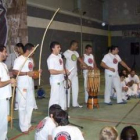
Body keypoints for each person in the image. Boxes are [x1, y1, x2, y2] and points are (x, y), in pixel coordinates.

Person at [13, 43, 38, 133]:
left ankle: (28, 124)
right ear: (28, 50)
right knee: (22, 106)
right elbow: (15, 72)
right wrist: (27, 73)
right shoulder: (19, 59)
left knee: (30, 105)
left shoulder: (30, 59)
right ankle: (23, 127)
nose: (34, 53)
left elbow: (31, 73)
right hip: (22, 86)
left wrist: (36, 73)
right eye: (33, 51)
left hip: (30, 86)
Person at [63, 40, 88, 107]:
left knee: (76, 88)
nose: (77, 47)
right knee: (67, 89)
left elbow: (80, 61)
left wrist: (87, 66)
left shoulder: (76, 53)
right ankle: (66, 104)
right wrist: (65, 71)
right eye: (76, 46)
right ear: (72, 45)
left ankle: (75, 103)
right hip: (68, 74)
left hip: (75, 73)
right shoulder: (66, 53)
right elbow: (63, 63)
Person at [0, 44, 16, 140]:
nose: (7, 54)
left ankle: (3, 136)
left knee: (4, 119)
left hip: (5, 97)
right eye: (5, 52)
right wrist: (10, 81)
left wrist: (11, 82)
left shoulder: (4, 65)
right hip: (1, 98)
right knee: (1, 120)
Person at [47, 41, 69, 110]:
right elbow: (51, 71)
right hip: (55, 81)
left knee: (62, 98)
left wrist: (66, 72)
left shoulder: (59, 56)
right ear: (53, 48)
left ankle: (61, 113)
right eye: (58, 47)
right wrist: (62, 71)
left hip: (61, 80)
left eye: (60, 47)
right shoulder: (51, 58)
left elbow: (61, 68)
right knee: (54, 98)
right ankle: (51, 114)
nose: (60, 48)